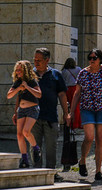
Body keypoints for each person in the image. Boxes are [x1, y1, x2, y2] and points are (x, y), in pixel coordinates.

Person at [71, 49, 102, 183]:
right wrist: (71, 112)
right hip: (87, 108)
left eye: (94, 58)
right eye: (90, 58)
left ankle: (98, 171)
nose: (92, 60)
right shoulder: (83, 73)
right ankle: (82, 160)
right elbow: (77, 93)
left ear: (100, 59)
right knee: (89, 137)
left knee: (100, 139)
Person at [29, 49, 70, 181]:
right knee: (35, 146)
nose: (36, 62)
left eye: (39, 60)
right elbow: (21, 94)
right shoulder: (30, 75)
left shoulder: (56, 74)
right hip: (32, 117)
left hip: (51, 117)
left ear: (47, 60)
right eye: (34, 60)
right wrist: (17, 112)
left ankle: (51, 172)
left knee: (51, 147)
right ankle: (37, 172)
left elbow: (62, 95)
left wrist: (66, 113)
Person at [7, 60, 42, 168]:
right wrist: (18, 88)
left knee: (26, 131)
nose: (18, 72)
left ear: (25, 70)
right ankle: (25, 159)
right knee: (19, 134)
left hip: (32, 108)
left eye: (20, 70)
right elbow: (9, 95)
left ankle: (36, 148)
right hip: (21, 110)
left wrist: (27, 87)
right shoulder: (17, 82)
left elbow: (39, 94)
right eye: (16, 70)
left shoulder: (31, 81)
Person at [61, 58, 82, 132]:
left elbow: (63, 81)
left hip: (67, 89)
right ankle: (77, 124)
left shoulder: (64, 71)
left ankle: (70, 125)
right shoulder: (78, 69)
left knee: (68, 107)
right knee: (77, 107)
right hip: (76, 88)